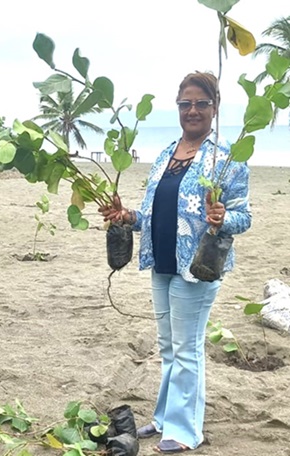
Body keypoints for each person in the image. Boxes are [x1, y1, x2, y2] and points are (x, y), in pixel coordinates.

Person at [100, 71, 251, 453]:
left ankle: (185, 432)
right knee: (169, 347)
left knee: (187, 348)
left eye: (202, 103)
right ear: (178, 108)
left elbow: (242, 216)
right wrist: (127, 216)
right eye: (186, 103)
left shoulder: (226, 157)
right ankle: (166, 417)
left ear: (215, 108)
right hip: (162, 262)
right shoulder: (167, 154)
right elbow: (155, 214)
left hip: (197, 267)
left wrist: (222, 218)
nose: (193, 110)